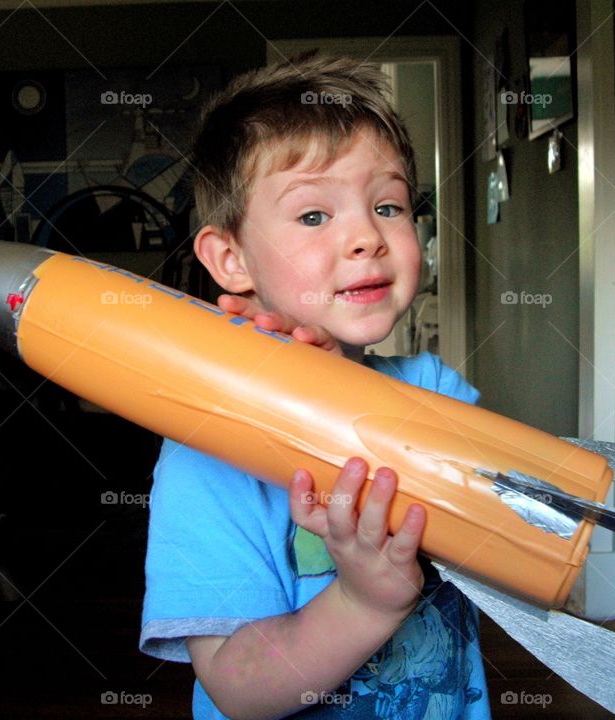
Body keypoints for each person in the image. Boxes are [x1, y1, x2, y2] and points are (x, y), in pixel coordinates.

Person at [140, 52, 491, 720]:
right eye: (312, 217)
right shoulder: (205, 455)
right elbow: (238, 687)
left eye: (388, 205)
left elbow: (510, 538)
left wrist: (340, 393)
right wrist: (362, 601)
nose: (366, 236)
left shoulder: (435, 390)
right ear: (231, 259)